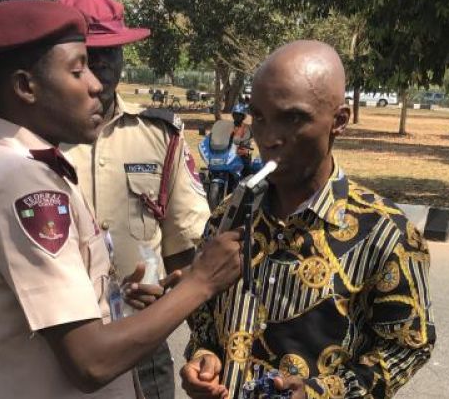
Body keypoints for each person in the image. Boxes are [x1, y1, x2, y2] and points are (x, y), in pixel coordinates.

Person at [0, 0, 243, 399]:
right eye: (78, 69)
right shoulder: (22, 182)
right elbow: (90, 362)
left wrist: (118, 295)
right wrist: (202, 284)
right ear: (25, 87)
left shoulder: (17, 165)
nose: (96, 84)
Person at [181, 40, 435, 399]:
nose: (269, 138)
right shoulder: (230, 216)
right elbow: (205, 321)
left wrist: (322, 392)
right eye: (261, 117)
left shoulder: (386, 233)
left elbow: (409, 346)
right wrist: (203, 359)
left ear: (339, 121)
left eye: (293, 118)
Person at [57, 0, 211, 399]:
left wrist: (175, 302)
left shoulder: (159, 135)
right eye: (91, 51)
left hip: (141, 348)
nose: (104, 62)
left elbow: (186, 249)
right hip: (57, 347)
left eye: (114, 50)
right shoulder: (36, 141)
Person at [231, 102, 253, 176]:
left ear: (243, 117)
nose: (237, 117)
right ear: (233, 115)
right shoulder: (228, 126)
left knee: (247, 169)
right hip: (227, 153)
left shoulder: (246, 128)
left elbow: (249, 137)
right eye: (235, 114)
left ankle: (246, 181)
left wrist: (246, 143)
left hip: (242, 153)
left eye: (239, 115)